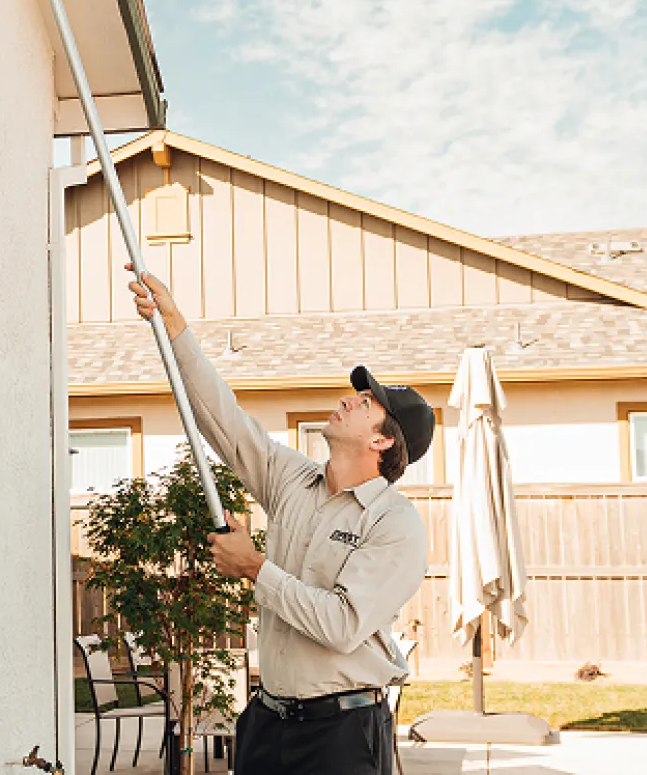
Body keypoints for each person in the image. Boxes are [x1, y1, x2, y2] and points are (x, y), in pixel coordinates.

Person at [128, 267, 432, 775]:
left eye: (364, 403)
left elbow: (340, 624)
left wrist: (253, 567)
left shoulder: (395, 524)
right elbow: (224, 421)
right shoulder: (293, 480)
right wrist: (175, 326)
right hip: (268, 723)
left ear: (382, 441)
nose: (346, 400)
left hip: (342, 736)